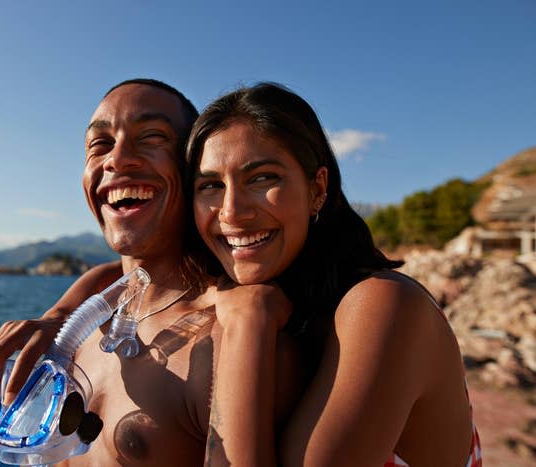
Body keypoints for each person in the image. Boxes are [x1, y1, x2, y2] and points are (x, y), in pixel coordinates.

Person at [0, 79, 302, 466]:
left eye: (151, 137)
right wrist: (58, 317)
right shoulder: (80, 318)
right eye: (100, 145)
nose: (117, 159)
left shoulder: (235, 341)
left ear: (193, 167)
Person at [186, 82, 482, 466]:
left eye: (262, 178)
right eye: (211, 185)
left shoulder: (383, 305)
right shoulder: (284, 305)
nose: (232, 211)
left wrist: (248, 323)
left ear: (317, 189)